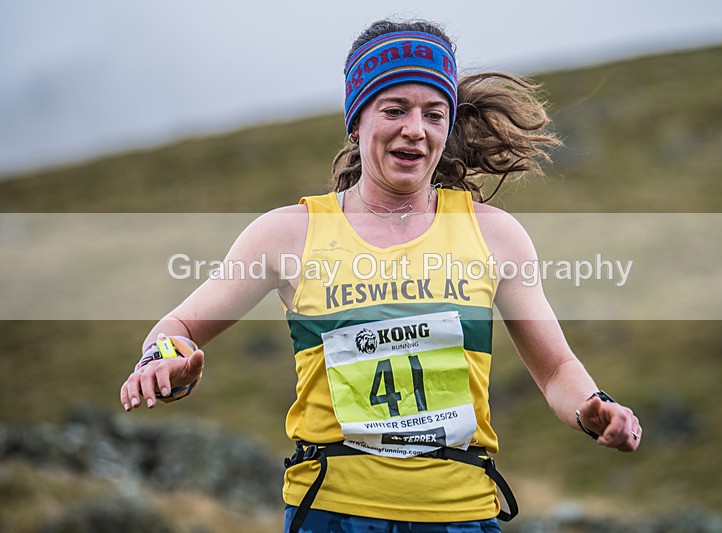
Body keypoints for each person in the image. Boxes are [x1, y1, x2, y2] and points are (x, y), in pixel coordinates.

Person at [119, 18, 642, 533]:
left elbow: (556, 370)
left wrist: (593, 408)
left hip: (460, 513)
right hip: (331, 512)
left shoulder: (496, 235)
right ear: (357, 120)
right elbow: (178, 328)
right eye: (394, 110)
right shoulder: (287, 234)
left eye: (434, 114)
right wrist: (163, 362)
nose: (415, 129)